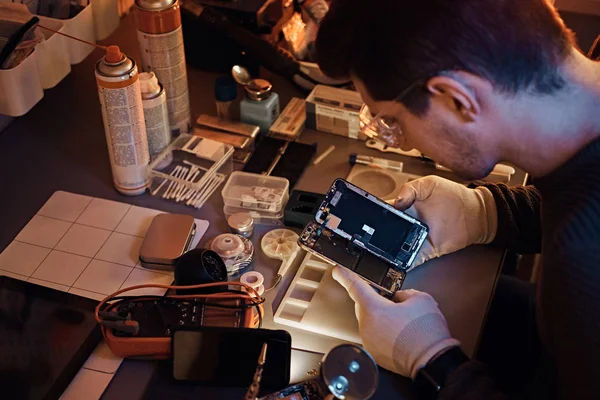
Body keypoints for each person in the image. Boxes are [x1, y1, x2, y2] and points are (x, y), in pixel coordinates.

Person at [315, 0, 600, 398]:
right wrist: (488, 212)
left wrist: (433, 362)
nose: (404, 142)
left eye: (393, 122)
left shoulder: (583, 263)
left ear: (456, 98)